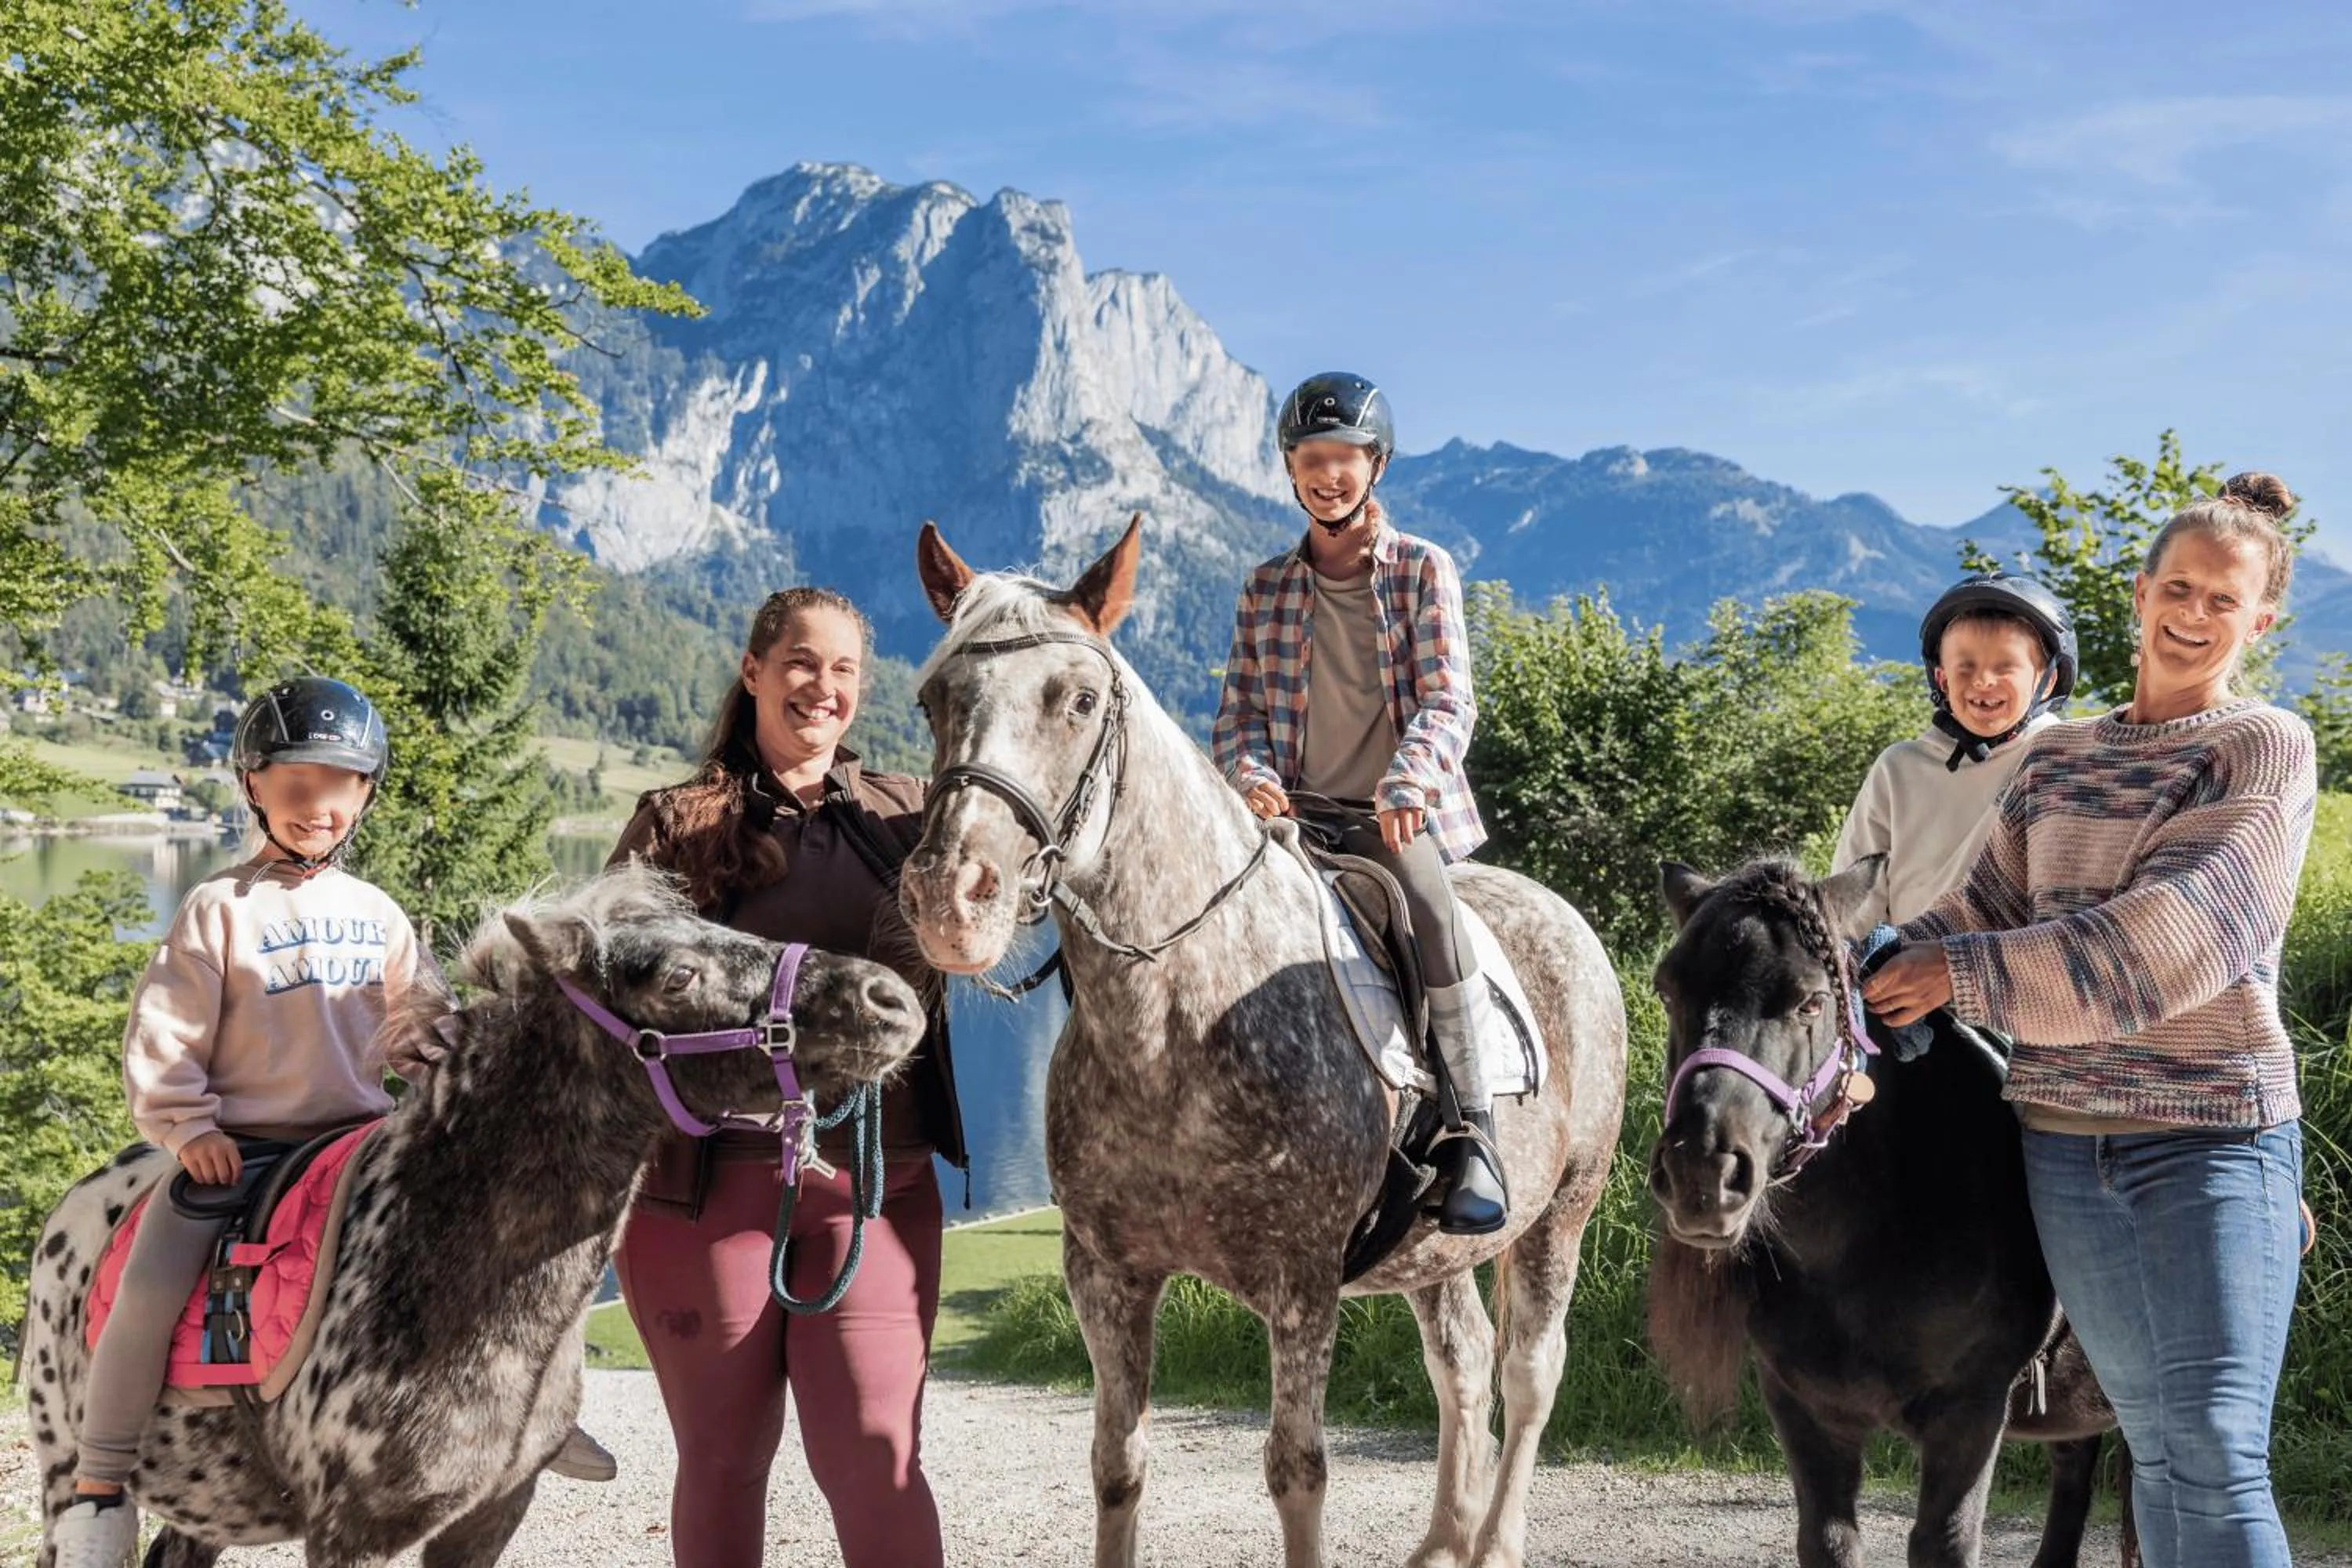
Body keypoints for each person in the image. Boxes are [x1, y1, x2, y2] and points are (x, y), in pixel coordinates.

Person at [1864, 473, 2318, 1568]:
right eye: (2178, 587)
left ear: (2261, 618)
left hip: (2209, 1144)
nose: (2194, 614)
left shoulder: (2261, 747)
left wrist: (1955, 973)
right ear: (2139, 591)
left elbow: (2166, 946)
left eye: (2223, 598)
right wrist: (1850, 962)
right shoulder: (2061, 758)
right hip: (2066, 1149)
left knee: (2213, 1449)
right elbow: (1977, 906)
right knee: (2156, 1450)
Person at [607, 586, 963, 1568]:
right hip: (701, 1187)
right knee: (722, 1460)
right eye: (802, 662)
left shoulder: (911, 818)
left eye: (845, 668)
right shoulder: (674, 825)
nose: (824, 686)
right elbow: (601, 1000)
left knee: (875, 1456)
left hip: (878, 1180)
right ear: (754, 670)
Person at [51, 678, 426, 1567]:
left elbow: (421, 1026)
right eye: (296, 785)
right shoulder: (220, 908)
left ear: (366, 792)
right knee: (153, 1269)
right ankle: (101, 1482)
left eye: (340, 786)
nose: (319, 806)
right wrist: (187, 1127)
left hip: (361, 1147)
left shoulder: (379, 914)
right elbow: (167, 1032)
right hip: (244, 1146)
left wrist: (457, 1062)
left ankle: (528, 1419)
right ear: (254, 784)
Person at [1209, 370, 1506, 1236]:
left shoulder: (1421, 569)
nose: (1326, 475)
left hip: (1390, 814)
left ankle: (1473, 1128)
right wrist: (1251, 774)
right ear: (1290, 468)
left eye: (1343, 458)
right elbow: (1239, 717)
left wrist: (1408, 779)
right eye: (1311, 459)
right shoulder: (1266, 586)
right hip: (1291, 815)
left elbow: (1450, 699)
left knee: (1429, 906)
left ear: (1375, 464)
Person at [1834, 572, 2077, 927]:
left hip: (2015, 972)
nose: (1983, 680)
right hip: (1900, 974)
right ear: (1942, 678)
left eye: (2005, 667)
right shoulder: (1900, 769)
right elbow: (1855, 897)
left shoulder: (2064, 760)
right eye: (1966, 666)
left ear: (2047, 679)